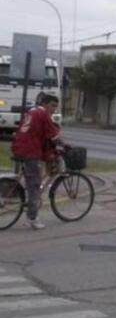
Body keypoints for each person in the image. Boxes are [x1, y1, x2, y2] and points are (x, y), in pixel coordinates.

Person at [11, 93, 63, 230]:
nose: (54, 109)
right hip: (30, 151)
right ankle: (32, 218)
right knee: (35, 185)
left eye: (56, 107)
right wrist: (63, 144)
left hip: (19, 147)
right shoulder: (43, 114)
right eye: (52, 106)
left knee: (31, 179)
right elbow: (53, 135)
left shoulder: (31, 111)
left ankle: (29, 204)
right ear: (44, 104)